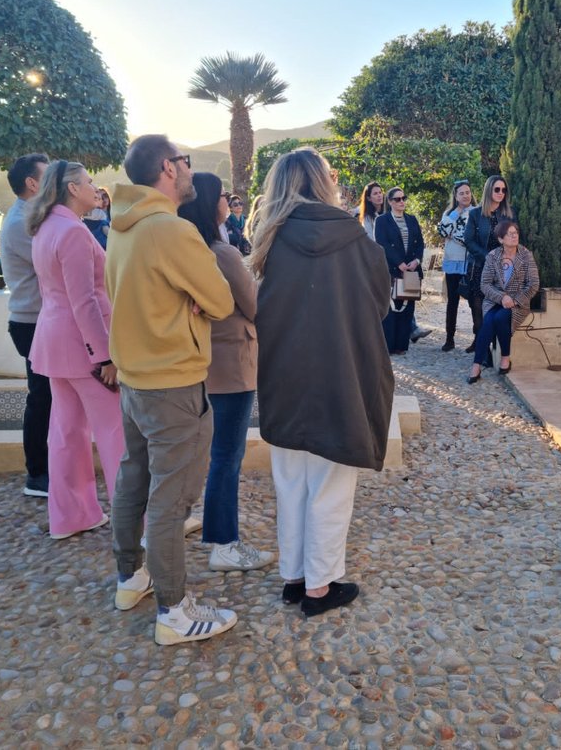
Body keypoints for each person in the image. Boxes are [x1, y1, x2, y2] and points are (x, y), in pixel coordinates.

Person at [105, 134, 237, 646]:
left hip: (136, 379)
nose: (188, 170)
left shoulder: (122, 225)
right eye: (184, 162)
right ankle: (174, 611)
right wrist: (195, 303)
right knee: (168, 499)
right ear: (167, 167)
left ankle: (129, 578)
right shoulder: (172, 231)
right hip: (175, 383)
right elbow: (221, 300)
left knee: (132, 479)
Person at [250, 148, 393, 618]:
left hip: (284, 374)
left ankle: (294, 576)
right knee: (332, 481)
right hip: (339, 373)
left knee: (290, 478)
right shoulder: (352, 236)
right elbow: (379, 299)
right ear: (321, 181)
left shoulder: (269, 239)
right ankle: (320, 585)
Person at [177, 173, 274, 573]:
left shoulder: (182, 248)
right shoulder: (223, 253)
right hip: (232, 365)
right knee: (226, 457)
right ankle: (223, 542)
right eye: (222, 196)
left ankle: (177, 518)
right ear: (209, 204)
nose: (227, 201)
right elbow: (253, 307)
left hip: (196, 363)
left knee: (192, 452)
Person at [25, 161, 125, 539]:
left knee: (66, 432)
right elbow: (84, 301)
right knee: (116, 432)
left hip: (54, 343)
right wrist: (105, 355)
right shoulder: (73, 233)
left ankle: (71, 516)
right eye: (88, 182)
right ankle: (136, 520)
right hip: (83, 347)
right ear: (71, 188)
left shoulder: (45, 228)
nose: (94, 187)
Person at [0, 154, 52, 498]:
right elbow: (54, 258)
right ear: (32, 183)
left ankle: (52, 467)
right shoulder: (21, 222)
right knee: (42, 398)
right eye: (48, 176)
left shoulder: (32, 217)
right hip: (32, 322)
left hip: (40, 319)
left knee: (49, 396)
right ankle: (37, 474)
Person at [467, 221, 540, 383]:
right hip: (495, 301)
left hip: (518, 302)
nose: (514, 236)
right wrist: (502, 297)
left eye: (516, 233)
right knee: (489, 321)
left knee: (499, 319)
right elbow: (485, 284)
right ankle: (477, 364)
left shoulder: (526, 255)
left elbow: (534, 284)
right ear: (501, 239)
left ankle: (504, 357)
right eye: (510, 234)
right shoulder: (493, 256)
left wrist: (514, 300)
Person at [463, 175, 515, 358]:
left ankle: (494, 348)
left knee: (496, 310)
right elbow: (468, 240)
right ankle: (482, 349)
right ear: (489, 191)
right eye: (497, 189)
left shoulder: (509, 214)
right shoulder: (475, 214)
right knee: (478, 309)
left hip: (503, 270)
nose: (501, 193)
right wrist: (487, 257)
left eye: (504, 190)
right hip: (480, 267)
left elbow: (514, 238)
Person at [374, 187, 425, 355]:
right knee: (391, 308)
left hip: (411, 271)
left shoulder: (412, 219)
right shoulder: (382, 221)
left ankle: (402, 346)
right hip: (392, 271)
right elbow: (382, 244)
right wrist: (399, 263)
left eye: (403, 198)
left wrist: (416, 261)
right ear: (390, 202)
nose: (402, 201)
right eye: (397, 199)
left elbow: (420, 244)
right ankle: (389, 345)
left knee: (407, 307)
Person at [436, 179, 475, 352]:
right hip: (453, 262)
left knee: (475, 302)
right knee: (452, 302)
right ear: (456, 196)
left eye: (467, 192)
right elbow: (443, 232)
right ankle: (449, 338)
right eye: (462, 193)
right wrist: (456, 213)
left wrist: (455, 236)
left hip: (471, 262)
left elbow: (471, 236)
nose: (465, 195)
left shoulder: (476, 212)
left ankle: (477, 338)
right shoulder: (449, 213)